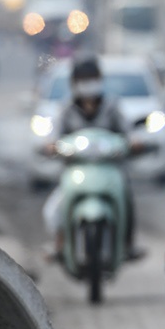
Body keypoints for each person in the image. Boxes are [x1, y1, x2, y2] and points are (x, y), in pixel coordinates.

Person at [41, 56, 142, 259]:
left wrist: (134, 142)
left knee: (127, 197)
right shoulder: (66, 109)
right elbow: (54, 137)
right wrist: (51, 146)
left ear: (100, 79)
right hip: (76, 170)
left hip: (110, 169)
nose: (88, 84)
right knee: (54, 209)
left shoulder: (112, 106)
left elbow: (128, 133)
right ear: (74, 83)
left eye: (92, 78)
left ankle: (128, 243)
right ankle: (60, 242)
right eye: (83, 79)